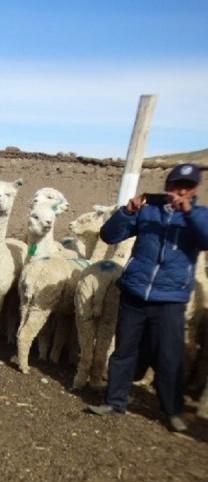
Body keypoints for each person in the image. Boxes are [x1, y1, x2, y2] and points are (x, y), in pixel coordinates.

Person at [87, 163, 208, 433]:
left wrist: (188, 213)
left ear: (195, 190)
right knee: (124, 351)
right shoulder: (149, 211)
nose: (180, 191)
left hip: (170, 297)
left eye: (187, 187)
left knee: (169, 356)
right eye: (176, 185)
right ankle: (114, 401)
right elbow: (109, 235)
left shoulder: (199, 216)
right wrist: (128, 212)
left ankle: (172, 410)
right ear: (167, 186)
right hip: (136, 292)